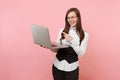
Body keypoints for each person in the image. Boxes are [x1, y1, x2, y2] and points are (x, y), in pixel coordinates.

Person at [42, 7, 89, 80]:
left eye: (72, 17)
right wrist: (50, 46)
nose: (70, 20)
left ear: (78, 18)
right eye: (68, 18)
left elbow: (81, 54)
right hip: (57, 66)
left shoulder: (84, 34)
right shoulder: (62, 30)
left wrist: (72, 40)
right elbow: (57, 49)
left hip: (72, 69)